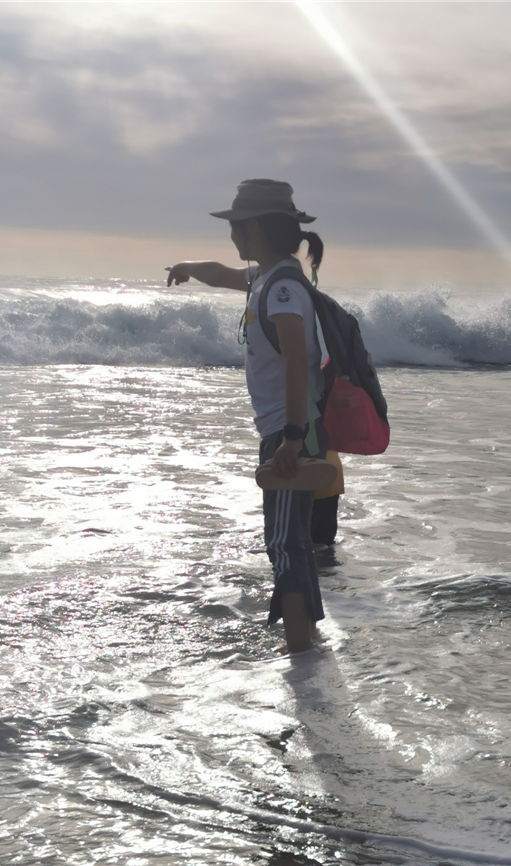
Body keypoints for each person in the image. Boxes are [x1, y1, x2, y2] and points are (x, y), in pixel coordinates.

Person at [166, 178, 328, 654]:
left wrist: (292, 438)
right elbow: (221, 274)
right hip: (287, 428)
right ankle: (308, 644)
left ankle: (300, 655)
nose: (232, 233)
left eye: (236, 225)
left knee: (283, 542)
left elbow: (296, 360)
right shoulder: (266, 278)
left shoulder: (282, 290)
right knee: (291, 539)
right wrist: (187, 267)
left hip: (291, 431)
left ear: (254, 227)